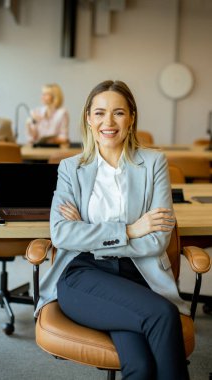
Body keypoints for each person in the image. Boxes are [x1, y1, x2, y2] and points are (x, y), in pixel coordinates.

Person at [35, 80, 190, 379]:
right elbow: (62, 235)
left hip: (138, 277)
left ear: (131, 118)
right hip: (83, 275)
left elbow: (157, 240)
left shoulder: (153, 163)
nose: (108, 122)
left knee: (141, 367)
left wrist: (89, 233)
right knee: (162, 315)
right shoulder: (71, 168)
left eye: (118, 113)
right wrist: (131, 230)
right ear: (88, 119)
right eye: (100, 113)